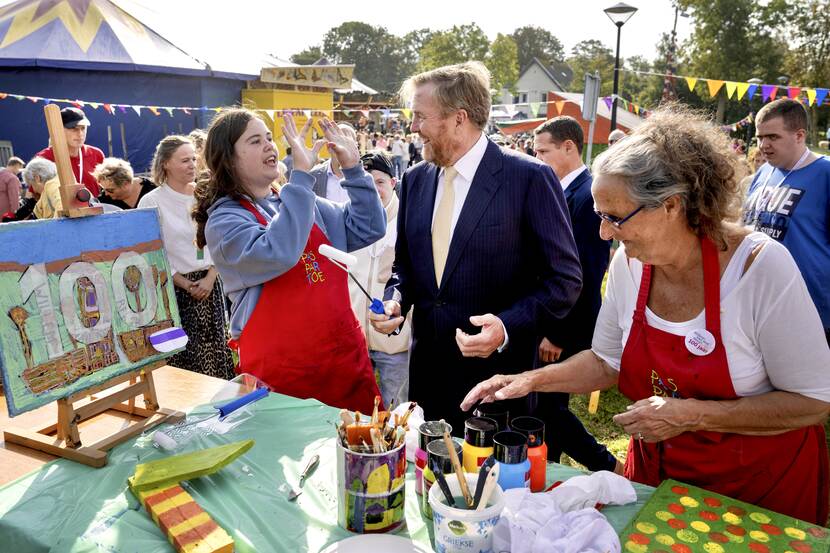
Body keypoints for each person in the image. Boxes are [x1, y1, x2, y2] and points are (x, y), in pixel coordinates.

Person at [461, 106, 830, 524]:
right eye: (600, 217)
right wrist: (529, 380)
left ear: (671, 205)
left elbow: (813, 402)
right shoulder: (630, 265)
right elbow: (606, 361)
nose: (604, 234)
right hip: (657, 478)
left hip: (755, 491)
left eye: (615, 218)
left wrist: (694, 414)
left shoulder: (759, 267)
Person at [369, 62, 582, 431]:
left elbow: (564, 281)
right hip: (427, 382)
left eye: (421, 116)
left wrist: (505, 326)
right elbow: (406, 267)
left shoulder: (528, 178)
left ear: (458, 118)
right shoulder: (417, 180)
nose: (413, 127)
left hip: (496, 389)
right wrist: (396, 300)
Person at [192, 109, 386, 413]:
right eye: (255, 141)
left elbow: (370, 225)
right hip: (285, 379)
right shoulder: (225, 221)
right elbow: (279, 251)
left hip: (343, 365)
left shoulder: (297, 200)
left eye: (269, 138)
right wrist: (301, 178)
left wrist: (353, 168)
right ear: (228, 160)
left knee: (364, 456)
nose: (270, 146)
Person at [532, 116, 620, 471]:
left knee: (548, 407)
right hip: (552, 317)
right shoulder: (560, 188)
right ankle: (549, 468)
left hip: (567, 323)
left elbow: (584, 272)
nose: (538, 159)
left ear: (569, 147)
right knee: (548, 407)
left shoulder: (587, 196)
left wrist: (558, 333)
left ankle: (608, 466)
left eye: (544, 151)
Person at [138, 136, 235, 380]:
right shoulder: (151, 202)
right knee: (184, 353)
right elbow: (150, 251)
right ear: (166, 164)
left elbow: (220, 238)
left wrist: (211, 276)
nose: (192, 164)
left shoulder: (206, 195)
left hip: (211, 283)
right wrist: (182, 282)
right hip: (173, 289)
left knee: (215, 349)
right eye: (184, 160)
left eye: (194, 158)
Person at [742, 98, 830, 344]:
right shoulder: (763, 173)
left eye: (773, 137)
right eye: (760, 137)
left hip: (814, 312)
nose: (763, 145)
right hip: (761, 305)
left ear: (799, 135)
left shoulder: (825, 174)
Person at [348, 151, 412, 407]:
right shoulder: (349, 220)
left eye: (380, 182)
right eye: (366, 183)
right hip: (355, 340)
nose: (374, 190)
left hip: (394, 342)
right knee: (355, 413)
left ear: (393, 182)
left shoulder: (408, 221)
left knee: (397, 413)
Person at [36, 107, 104, 197]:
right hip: (61, 210)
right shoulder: (44, 158)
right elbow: (34, 194)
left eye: (83, 128)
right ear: (59, 130)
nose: (80, 134)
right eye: (74, 129)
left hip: (97, 209)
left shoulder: (96, 154)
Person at [308, 122, 359, 201]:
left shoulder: (367, 177)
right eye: (339, 142)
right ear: (329, 147)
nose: (344, 149)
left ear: (356, 147)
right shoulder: (314, 176)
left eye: (348, 143)